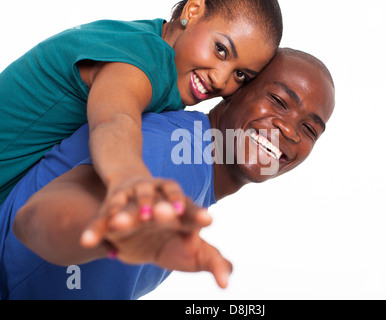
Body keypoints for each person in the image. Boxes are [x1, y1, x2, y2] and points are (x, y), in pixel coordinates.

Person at [0, 48, 335, 299]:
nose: (289, 130)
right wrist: (102, 228)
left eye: (309, 129)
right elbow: (37, 217)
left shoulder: (193, 167)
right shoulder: (175, 151)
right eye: (278, 100)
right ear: (237, 90)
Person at [0, 1, 283, 227]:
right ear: (193, 10)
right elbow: (114, 119)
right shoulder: (143, 63)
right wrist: (127, 178)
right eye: (221, 50)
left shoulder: (159, 43)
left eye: (241, 75)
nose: (221, 80)